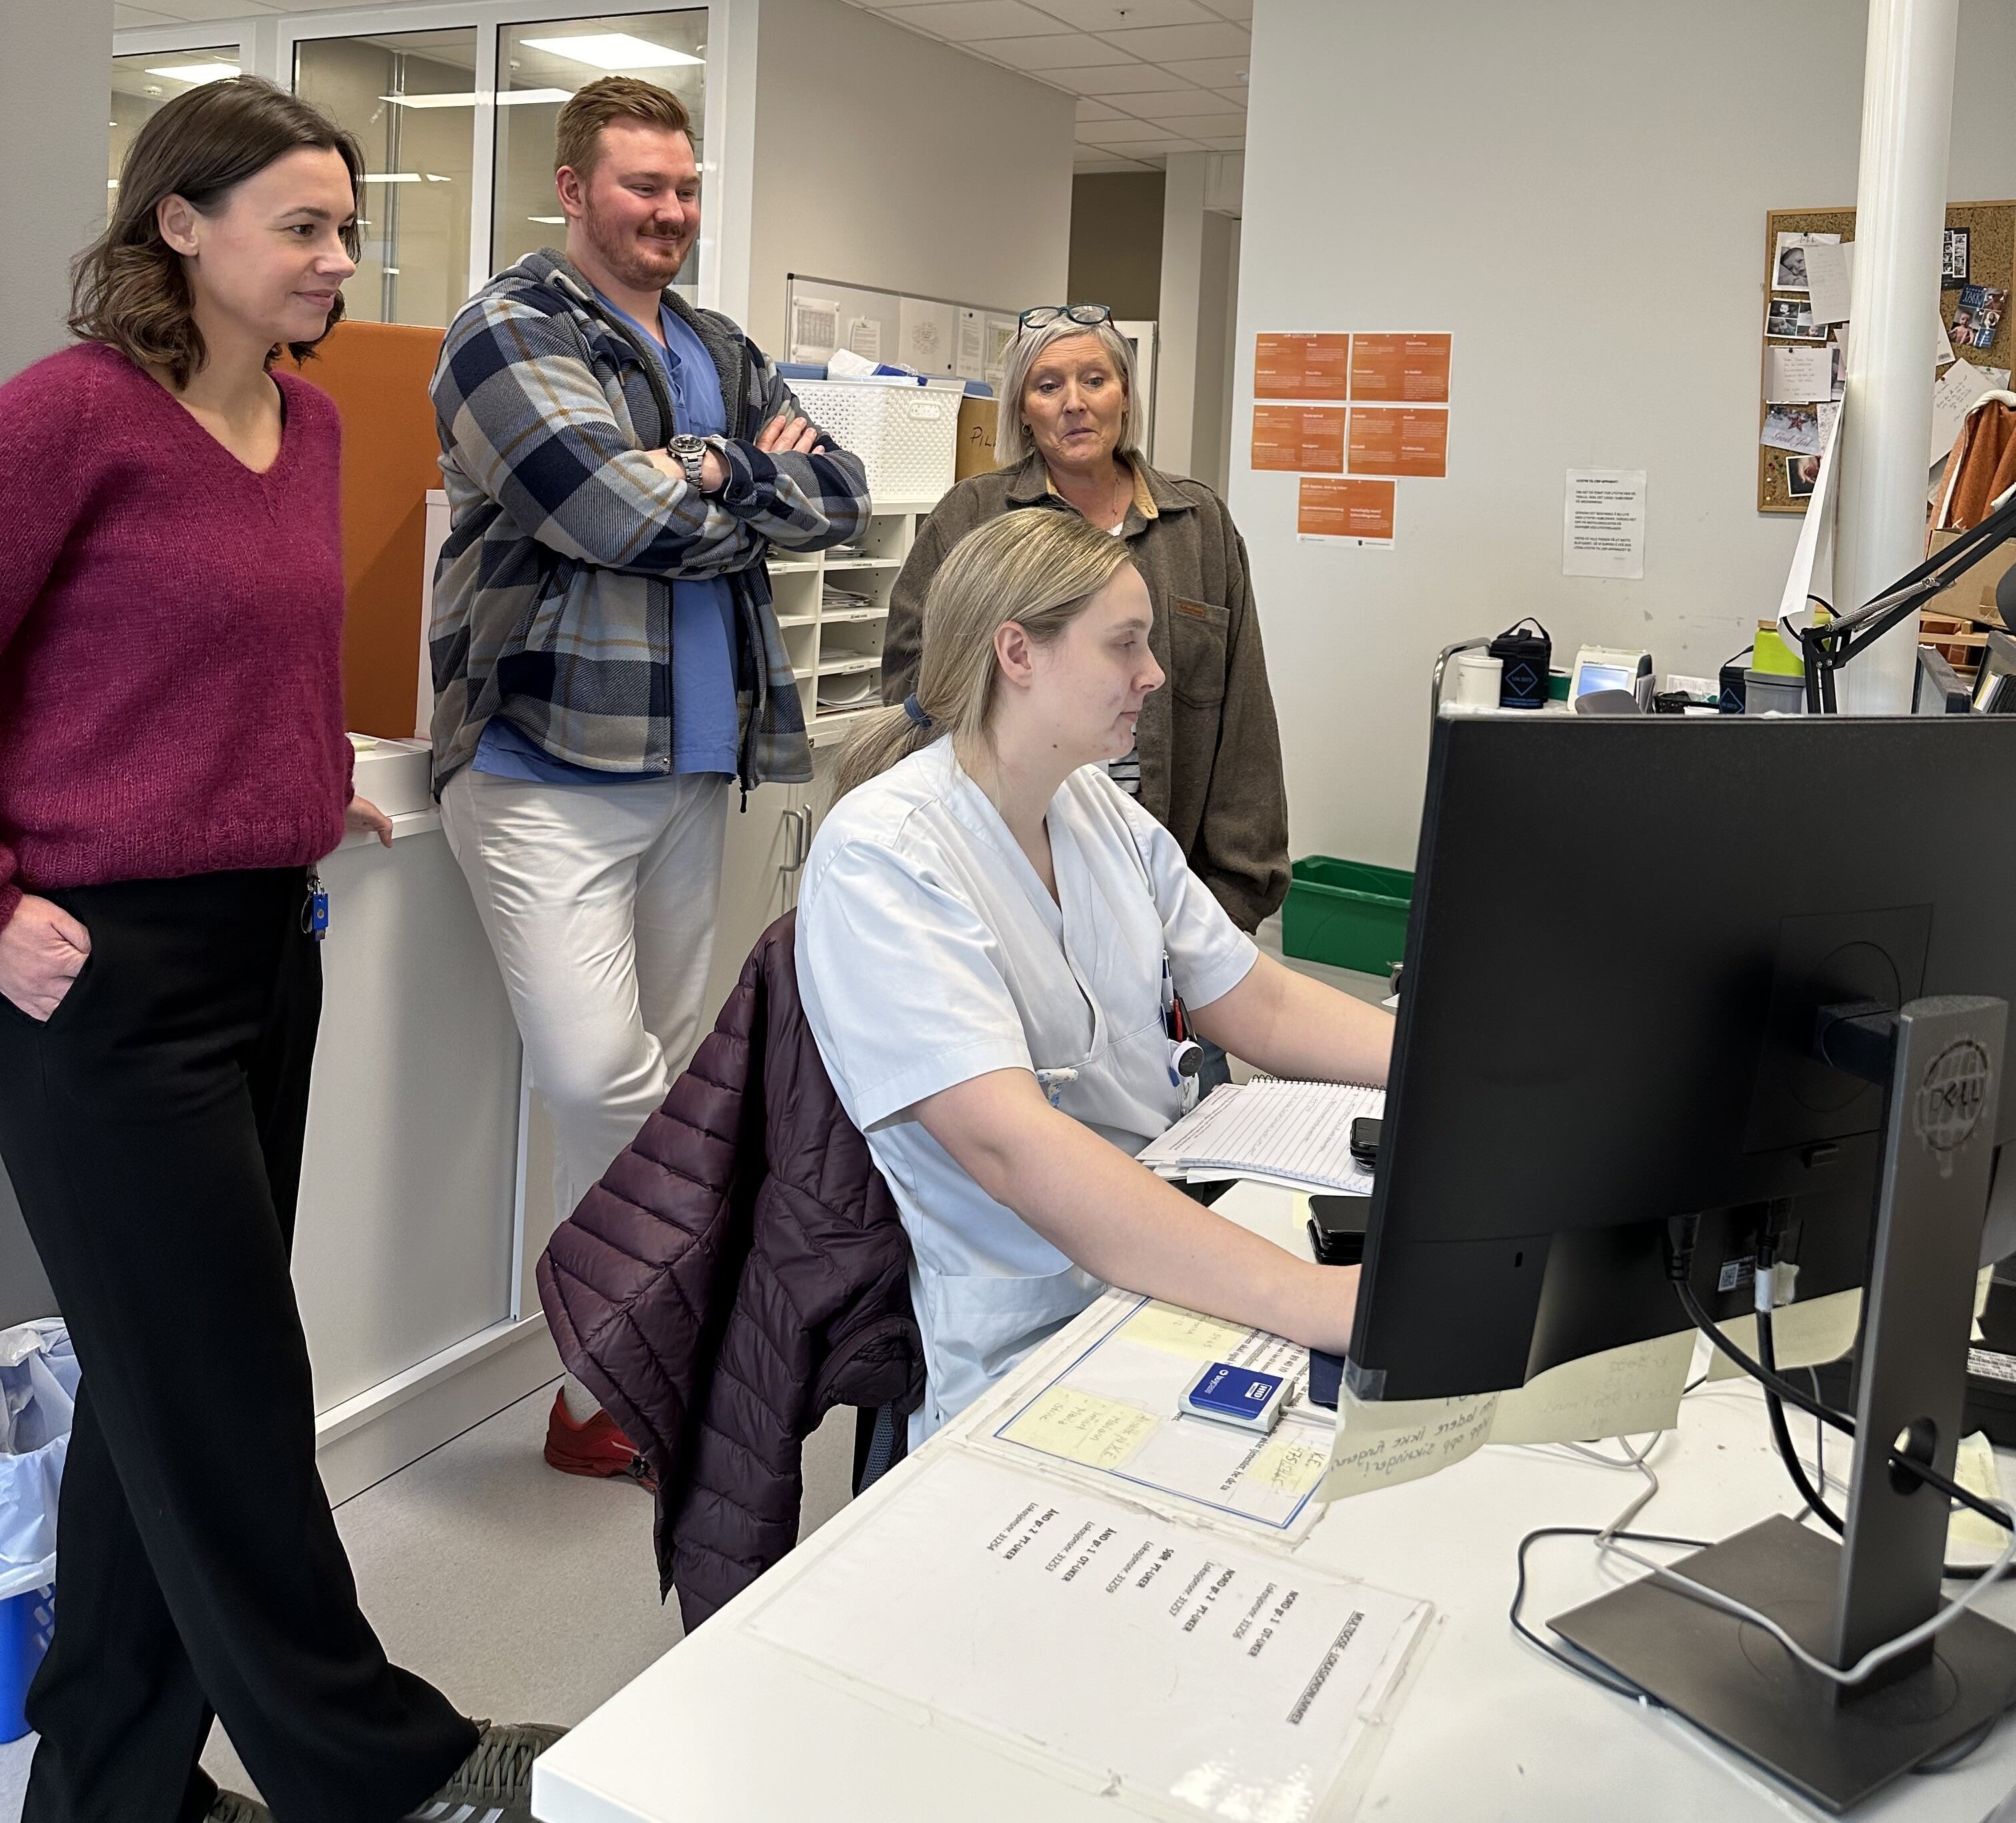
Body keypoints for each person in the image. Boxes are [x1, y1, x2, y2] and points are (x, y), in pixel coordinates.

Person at [0, 77, 555, 1823]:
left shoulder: (308, 429)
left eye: (342, 225)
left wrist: (306, 783)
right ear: (183, 225)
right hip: (101, 981)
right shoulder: (69, 418)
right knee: (233, 1391)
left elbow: (237, 664)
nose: (341, 257)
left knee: (150, 1407)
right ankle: (380, 1767)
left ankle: (111, 1785)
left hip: (266, 947)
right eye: (303, 226)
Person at [428, 76, 870, 1483]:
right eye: (642, 187)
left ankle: (596, 1391)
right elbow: (605, 507)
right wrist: (746, 481)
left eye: (686, 189)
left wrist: (703, 465)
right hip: (542, 760)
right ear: (573, 188)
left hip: (695, 760)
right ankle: (664, 1338)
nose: (671, 213)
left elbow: (843, 498)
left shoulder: (716, 345)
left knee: (675, 1077)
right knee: (603, 1077)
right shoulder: (506, 328)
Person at [797, 512, 1393, 1443]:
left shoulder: (1091, 808)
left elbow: (1258, 1001)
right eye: (1125, 644)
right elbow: (1013, 1148)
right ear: (1017, 654)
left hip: (1169, 1241)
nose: (1153, 674)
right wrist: (1309, 1299)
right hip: (1036, 1324)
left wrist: (1457, 1064)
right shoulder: (885, 857)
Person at [882, 305, 1288, 1094]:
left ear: (1125, 396)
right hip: (1020, 883)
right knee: (1045, 1121)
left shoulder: (1198, 526)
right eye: (1048, 384)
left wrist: (1224, 908)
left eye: (1094, 379)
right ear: (1021, 411)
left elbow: (1244, 718)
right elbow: (915, 693)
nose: (1074, 401)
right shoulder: (970, 519)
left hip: (1171, 899)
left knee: (1186, 1134)